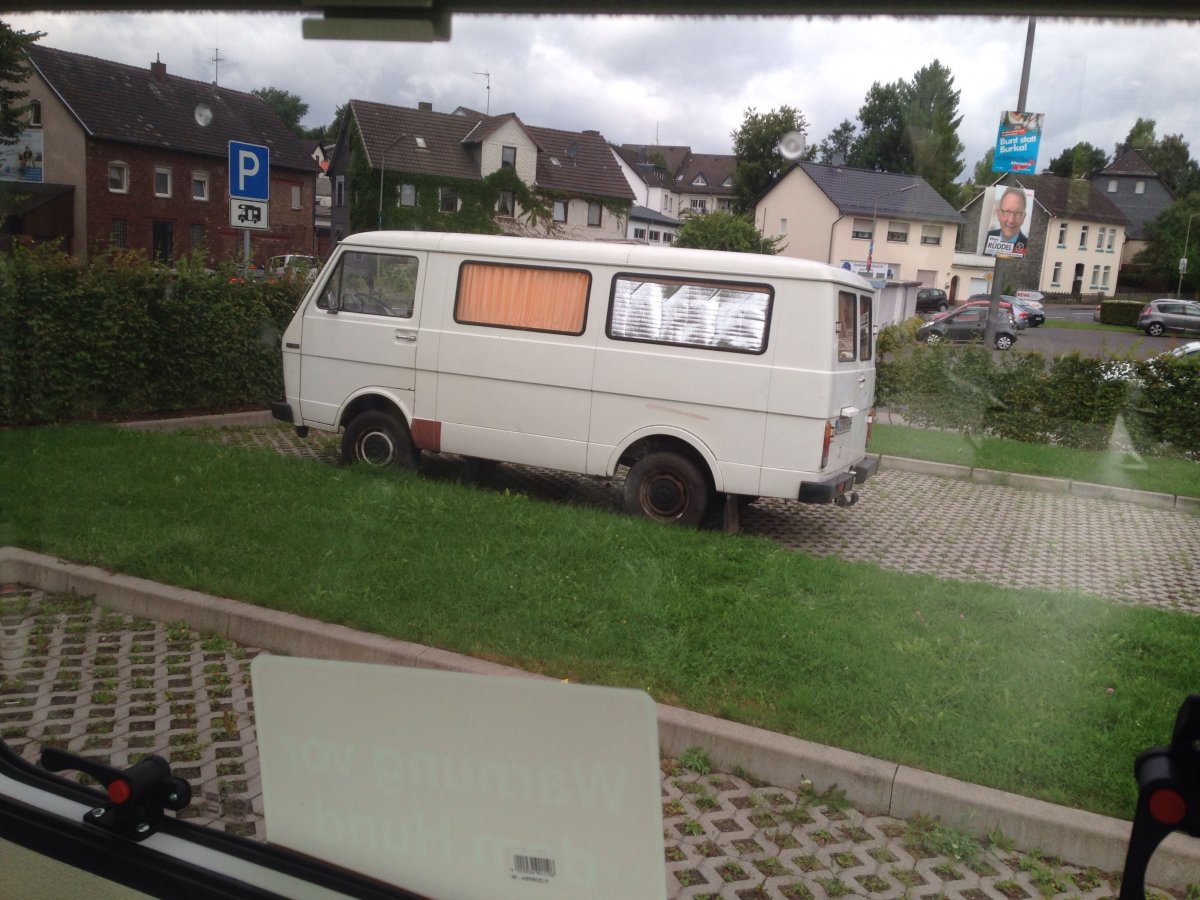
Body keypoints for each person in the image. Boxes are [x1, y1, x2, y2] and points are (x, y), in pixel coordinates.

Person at [985, 186, 1028, 257]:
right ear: (999, 214)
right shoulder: (986, 238)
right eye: (1007, 212)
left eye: (1017, 213)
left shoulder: (1027, 246)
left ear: (1023, 218)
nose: (1011, 220)